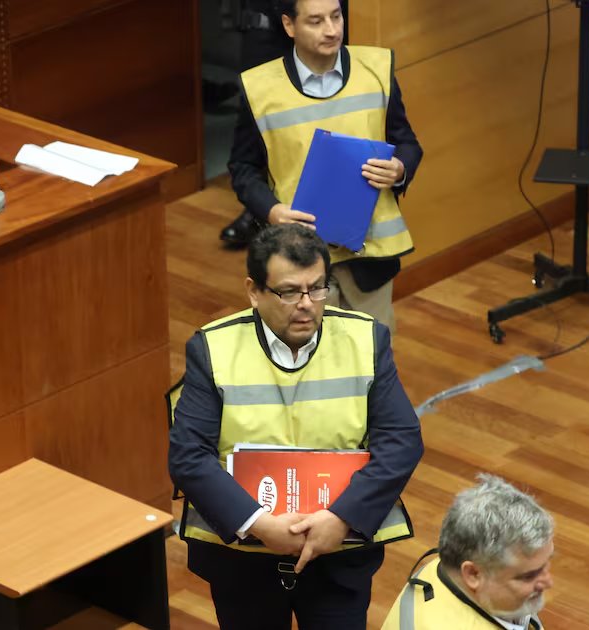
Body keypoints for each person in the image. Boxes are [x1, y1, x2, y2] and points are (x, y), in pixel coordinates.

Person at [168, 223, 424, 630]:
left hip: (337, 554)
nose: (306, 304)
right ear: (254, 291)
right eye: (288, 292)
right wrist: (258, 524)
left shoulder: (366, 339)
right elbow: (189, 456)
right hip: (242, 563)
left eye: (317, 288)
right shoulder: (212, 348)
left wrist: (341, 517)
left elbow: (402, 441)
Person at [226, 0, 423, 331]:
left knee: (373, 355)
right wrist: (272, 211)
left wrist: (400, 168)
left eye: (336, 16)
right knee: (309, 358)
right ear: (289, 25)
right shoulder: (260, 89)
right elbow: (243, 167)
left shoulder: (376, 70)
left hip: (369, 260)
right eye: (316, 21)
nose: (332, 30)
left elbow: (407, 143)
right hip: (298, 260)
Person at [382, 474, 554, 630]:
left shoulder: (447, 568)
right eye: (528, 576)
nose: (548, 582)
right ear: (473, 574)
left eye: (546, 563)